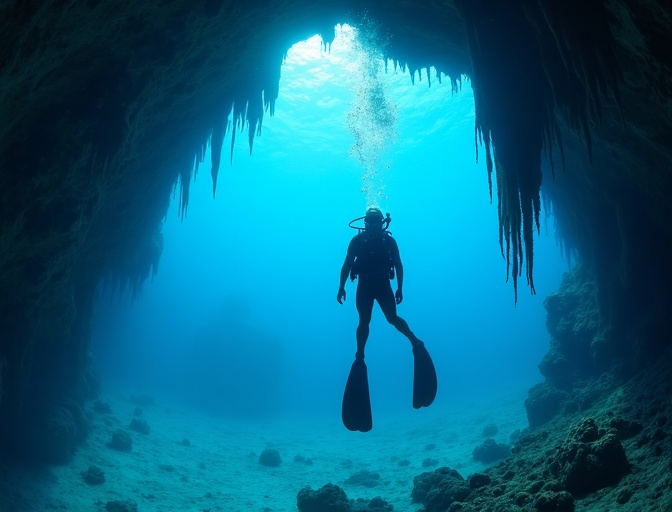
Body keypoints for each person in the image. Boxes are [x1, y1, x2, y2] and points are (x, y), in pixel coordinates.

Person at [337, 207, 437, 432]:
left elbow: (399, 264)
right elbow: (346, 264)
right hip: (364, 284)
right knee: (364, 321)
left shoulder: (389, 242)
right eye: (370, 221)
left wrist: (400, 288)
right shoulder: (357, 240)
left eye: (376, 221)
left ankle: (414, 341)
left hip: (383, 284)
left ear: (383, 222)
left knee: (392, 318)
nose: (373, 224)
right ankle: (360, 355)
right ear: (365, 221)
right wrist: (341, 286)